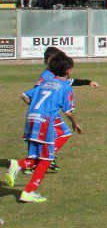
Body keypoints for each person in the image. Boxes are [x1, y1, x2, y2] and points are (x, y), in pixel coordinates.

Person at [5, 52, 81, 202]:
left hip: (32, 119)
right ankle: (27, 189)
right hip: (45, 123)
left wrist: (36, 109)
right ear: (68, 70)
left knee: (38, 157)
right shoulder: (65, 87)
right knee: (46, 159)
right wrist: (74, 123)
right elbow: (68, 111)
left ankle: (19, 166)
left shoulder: (44, 83)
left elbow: (25, 95)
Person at [33, 46, 98, 173]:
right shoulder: (48, 75)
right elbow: (36, 90)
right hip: (47, 112)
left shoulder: (53, 74)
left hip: (47, 111)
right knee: (64, 133)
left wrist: (88, 81)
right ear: (49, 60)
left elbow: (70, 81)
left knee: (49, 137)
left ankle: (44, 159)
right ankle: (38, 161)